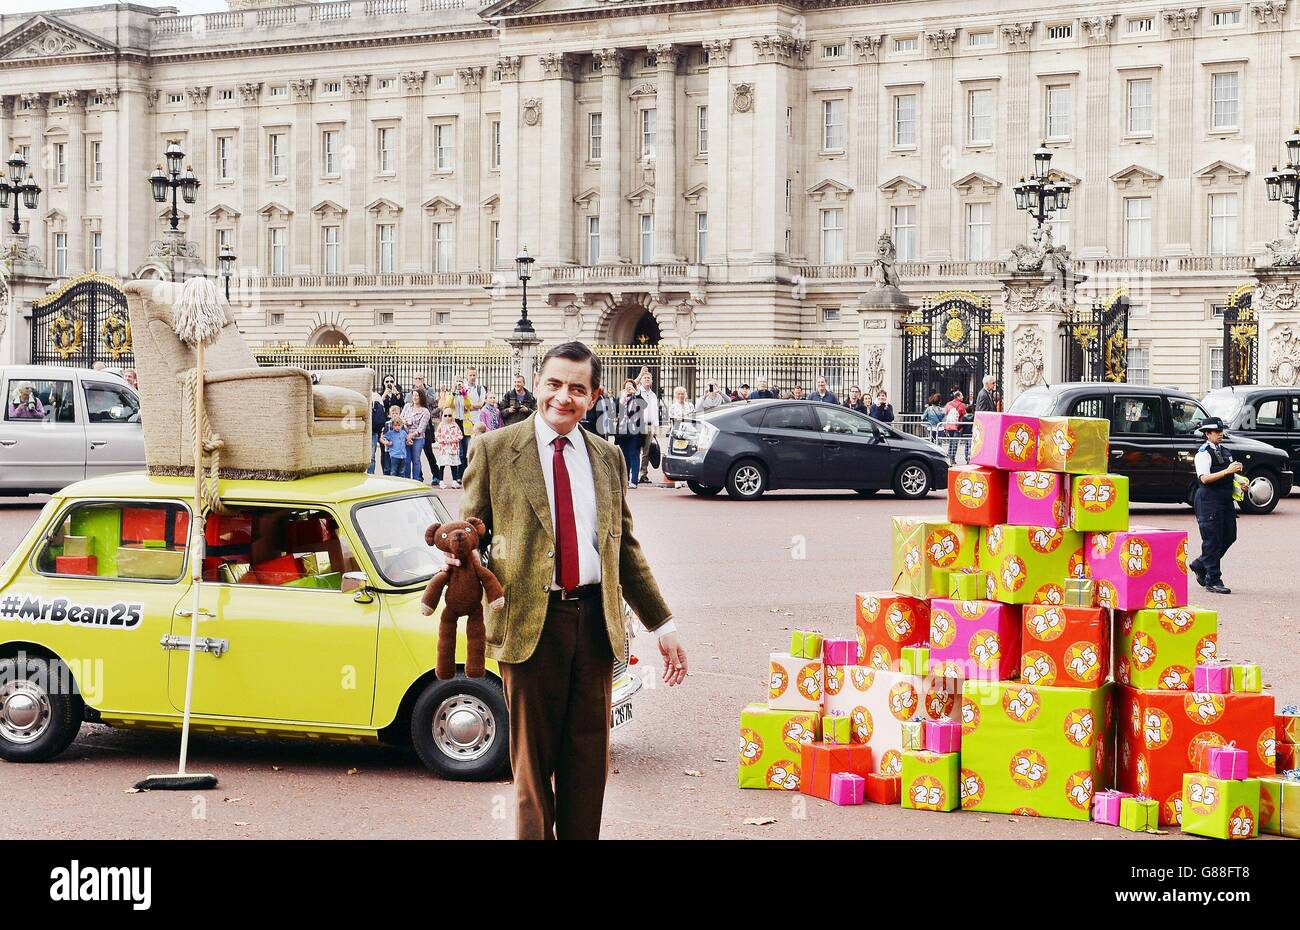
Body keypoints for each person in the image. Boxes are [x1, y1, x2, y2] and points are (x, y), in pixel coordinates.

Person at [460, 341, 686, 840]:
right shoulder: (495, 450)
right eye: (555, 384)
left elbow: (624, 550)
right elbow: (471, 528)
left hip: (595, 624)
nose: (564, 397)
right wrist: (463, 556)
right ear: (538, 384)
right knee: (532, 771)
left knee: (588, 766)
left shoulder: (607, 459)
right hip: (528, 626)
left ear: (594, 396)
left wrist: (662, 624)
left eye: (577, 389)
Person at [1188, 417, 1241, 595]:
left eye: (1221, 431)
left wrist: (1240, 482)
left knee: (1229, 536)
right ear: (1207, 434)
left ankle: (1200, 564)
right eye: (1217, 432)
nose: (1220, 434)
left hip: (1225, 499)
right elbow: (1204, 478)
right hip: (1209, 500)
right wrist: (1227, 471)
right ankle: (1213, 579)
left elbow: (1230, 476)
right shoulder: (1203, 453)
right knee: (1212, 540)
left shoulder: (1225, 451)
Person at [613, 379, 648, 488]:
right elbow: (615, 411)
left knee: (634, 454)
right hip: (623, 431)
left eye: (631, 386)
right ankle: (625, 480)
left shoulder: (637, 397)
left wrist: (635, 393)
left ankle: (633, 481)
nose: (628, 388)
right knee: (624, 456)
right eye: (627, 386)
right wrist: (623, 399)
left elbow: (644, 405)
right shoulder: (620, 399)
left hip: (635, 430)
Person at [636, 371, 660, 486]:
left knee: (646, 451)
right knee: (635, 450)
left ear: (652, 381)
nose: (647, 380)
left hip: (650, 425)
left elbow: (655, 412)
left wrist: (656, 427)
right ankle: (633, 473)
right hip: (638, 425)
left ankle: (643, 474)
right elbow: (630, 386)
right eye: (645, 378)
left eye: (649, 378)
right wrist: (640, 375)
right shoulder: (637, 391)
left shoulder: (653, 395)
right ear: (641, 380)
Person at [402, 388, 431, 482]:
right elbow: (401, 417)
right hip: (405, 436)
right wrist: (404, 422)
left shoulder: (425, 411)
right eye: (413, 395)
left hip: (417, 438)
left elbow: (421, 429)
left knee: (416, 460)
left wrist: (411, 435)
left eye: (417, 395)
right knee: (406, 460)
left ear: (421, 397)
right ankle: (407, 481)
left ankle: (416, 480)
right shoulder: (407, 406)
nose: (414, 397)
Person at [434, 409, 464, 487]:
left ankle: (454, 481)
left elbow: (460, 435)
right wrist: (443, 441)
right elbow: (437, 436)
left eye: (449, 415)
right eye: (445, 415)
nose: (447, 417)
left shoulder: (455, 425)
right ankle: (441, 481)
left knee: (453, 465)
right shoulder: (441, 425)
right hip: (443, 449)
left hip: (453, 449)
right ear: (443, 416)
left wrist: (453, 440)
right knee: (442, 465)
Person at [379, 406, 408, 477]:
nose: (395, 415)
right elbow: (382, 437)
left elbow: (404, 435)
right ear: (390, 414)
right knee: (387, 467)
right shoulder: (387, 424)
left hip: (398, 451)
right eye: (393, 413)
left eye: (397, 413)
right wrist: (386, 442)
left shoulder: (402, 425)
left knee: (398, 469)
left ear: (399, 414)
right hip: (388, 450)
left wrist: (407, 441)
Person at [942, 390, 968, 464]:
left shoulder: (948, 404)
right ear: (958, 397)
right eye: (961, 395)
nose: (963, 397)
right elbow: (964, 415)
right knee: (955, 442)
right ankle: (952, 458)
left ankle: (949, 457)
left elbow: (945, 413)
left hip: (949, 426)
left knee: (950, 442)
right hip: (957, 426)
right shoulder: (962, 405)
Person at [368, 389, 388, 475]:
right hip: (363, 431)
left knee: (371, 457)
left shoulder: (376, 396)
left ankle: (370, 475)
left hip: (372, 430)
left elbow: (381, 413)